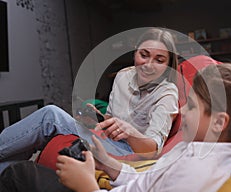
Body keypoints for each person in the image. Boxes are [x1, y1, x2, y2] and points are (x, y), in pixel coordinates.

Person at [0, 63, 231, 192]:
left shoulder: (198, 175)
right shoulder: (197, 148)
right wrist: (110, 165)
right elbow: (150, 181)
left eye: (192, 107)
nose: (182, 113)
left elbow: (153, 154)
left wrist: (88, 186)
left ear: (219, 123)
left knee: (18, 173)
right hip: (110, 186)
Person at [0, 28, 179, 173]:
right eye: (144, 55)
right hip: (109, 140)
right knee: (34, 136)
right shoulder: (123, 76)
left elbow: (153, 149)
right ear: (135, 52)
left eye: (159, 60)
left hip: (130, 153)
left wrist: (130, 132)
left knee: (51, 116)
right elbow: (110, 118)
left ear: (168, 66)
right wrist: (96, 119)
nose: (148, 64)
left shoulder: (167, 94)